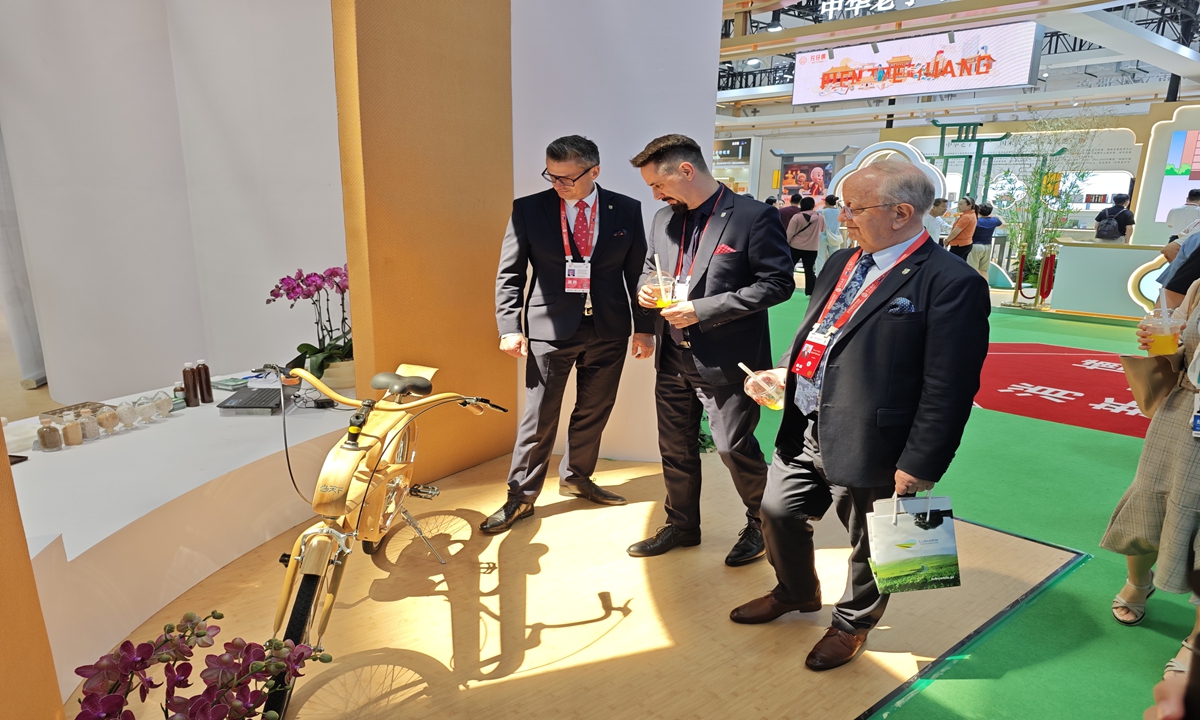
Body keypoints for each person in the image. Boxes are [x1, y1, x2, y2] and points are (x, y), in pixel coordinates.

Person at [729, 158, 990, 671]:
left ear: (901, 213)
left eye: (854, 207)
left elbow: (950, 386)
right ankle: (795, 592)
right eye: (841, 205)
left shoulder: (951, 282)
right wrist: (787, 374)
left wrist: (921, 462)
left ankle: (853, 623)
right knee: (777, 512)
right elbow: (819, 335)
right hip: (804, 424)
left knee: (873, 541)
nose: (841, 217)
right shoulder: (840, 263)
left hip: (877, 438)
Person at [627, 133, 795, 565]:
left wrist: (702, 310)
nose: (655, 194)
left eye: (657, 185)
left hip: (727, 358)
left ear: (686, 170)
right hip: (672, 357)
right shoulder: (663, 219)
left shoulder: (754, 217)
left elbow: (777, 284)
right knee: (675, 446)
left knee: (732, 448)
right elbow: (651, 268)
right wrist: (648, 290)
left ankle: (761, 523)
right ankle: (682, 525)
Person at [488, 135, 654, 534]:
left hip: (608, 329)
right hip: (549, 330)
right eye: (551, 175)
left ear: (594, 172)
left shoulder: (626, 210)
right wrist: (509, 328)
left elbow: (638, 274)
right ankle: (520, 498)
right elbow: (510, 275)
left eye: (567, 177)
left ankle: (577, 477)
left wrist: (645, 329)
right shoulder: (528, 210)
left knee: (593, 411)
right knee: (539, 417)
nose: (557, 184)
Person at [1103, 277, 1200, 680]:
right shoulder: (1199, 287)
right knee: (1151, 495)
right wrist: (1162, 341)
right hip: (1186, 406)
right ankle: (1138, 582)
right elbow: (1178, 339)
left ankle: (1198, 636)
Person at [787, 196, 826, 296]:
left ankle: (787, 288)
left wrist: (786, 243)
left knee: (789, 268)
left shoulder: (797, 217)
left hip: (796, 246)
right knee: (809, 270)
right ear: (813, 206)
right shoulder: (820, 217)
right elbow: (822, 229)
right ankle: (810, 292)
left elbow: (790, 233)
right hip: (812, 248)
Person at [967, 203, 1002, 279]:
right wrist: (997, 216)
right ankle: (986, 287)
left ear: (978, 210)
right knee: (983, 270)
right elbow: (1004, 224)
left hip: (975, 246)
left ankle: (973, 288)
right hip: (988, 246)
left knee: (972, 269)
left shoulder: (976, 221)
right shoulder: (994, 220)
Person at [815, 195, 842, 275]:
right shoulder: (839, 212)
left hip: (822, 237)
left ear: (826, 202)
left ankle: (819, 276)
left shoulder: (821, 212)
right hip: (835, 237)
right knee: (835, 258)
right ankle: (834, 275)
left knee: (820, 258)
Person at [945, 197, 977, 261]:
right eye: (959, 204)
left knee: (954, 265)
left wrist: (947, 240)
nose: (959, 206)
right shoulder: (971, 214)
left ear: (969, 206)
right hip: (966, 244)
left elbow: (956, 232)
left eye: (961, 204)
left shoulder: (966, 217)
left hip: (959, 245)